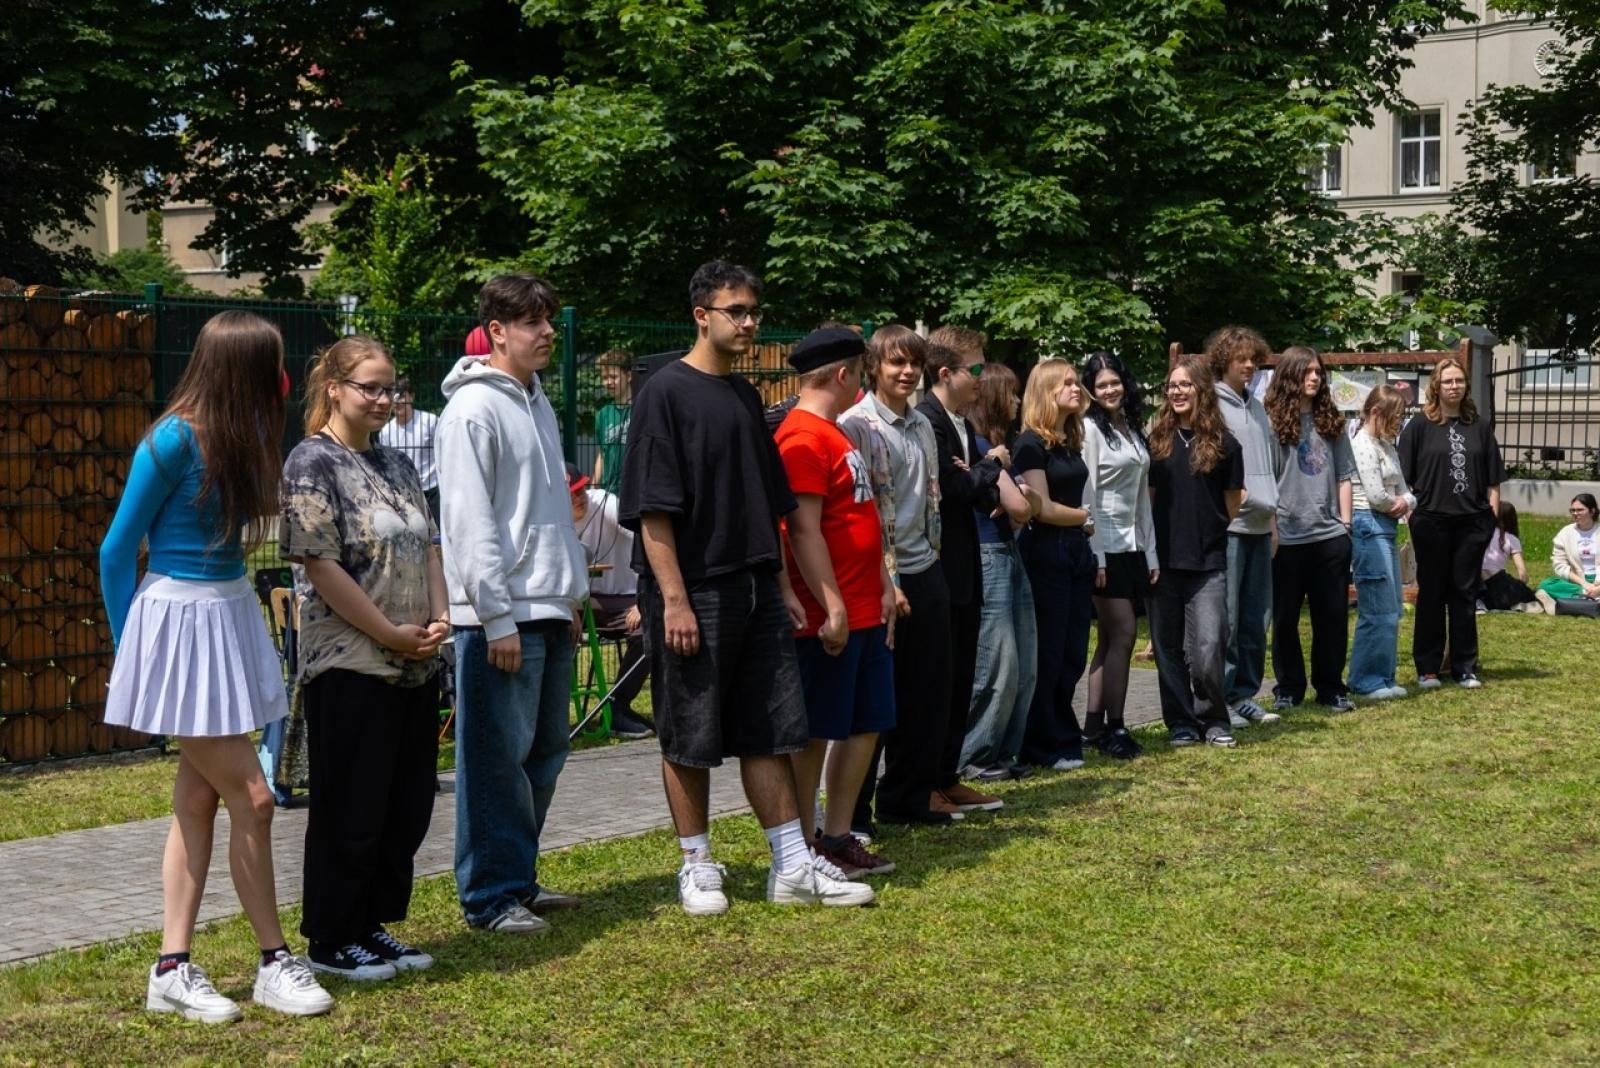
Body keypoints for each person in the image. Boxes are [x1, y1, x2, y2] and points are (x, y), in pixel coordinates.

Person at [101, 310, 334, 1022]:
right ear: (244, 371)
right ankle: (272, 961)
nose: (282, 378)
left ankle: (171, 968)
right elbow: (116, 551)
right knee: (255, 798)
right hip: (178, 622)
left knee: (199, 800)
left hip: (226, 613)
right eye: (271, 364)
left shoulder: (249, 431)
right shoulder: (171, 440)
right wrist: (132, 653)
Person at [620, 261, 872, 914]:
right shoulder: (663, 394)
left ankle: (791, 866)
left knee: (771, 728)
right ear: (701, 315)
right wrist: (674, 601)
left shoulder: (743, 397)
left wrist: (781, 583)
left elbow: (768, 503)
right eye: (736, 311)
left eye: (754, 311)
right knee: (690, 733)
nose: (750, 322)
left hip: (756, 587)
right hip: (694, 590)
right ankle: (697, 864)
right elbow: (652, 512)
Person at [280, 336, 446, 980]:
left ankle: (372, 924)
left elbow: (429, 546)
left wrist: (439, 617)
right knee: (351, 806)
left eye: (390, 388)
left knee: (405, 804)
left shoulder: (396, 463)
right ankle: (331, 937)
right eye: (369, 388)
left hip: (414, 660)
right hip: (350, 661)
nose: (383, 399)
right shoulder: (311, 462)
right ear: (335, 389)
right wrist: (388, 632)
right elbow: (321, 566)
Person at [438, 273, 589, 935]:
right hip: (499, 619)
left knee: (543, 755)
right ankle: (489, 896)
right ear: (496, 331)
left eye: (549, 319)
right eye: (533, 321)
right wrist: (495, 615)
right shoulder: (472, 409)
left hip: (547, 606)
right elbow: (468, 520)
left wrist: (570, 594)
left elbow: (547, 509)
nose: (548, 332)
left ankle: (516, 879)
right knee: (495, 763)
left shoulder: (537, 400)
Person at [775, 326, 899, 879]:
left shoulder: (835, 433)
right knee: (817, 731)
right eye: (861, 374)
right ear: (844, 374)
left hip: (866, 607)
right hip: (830, 616)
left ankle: (838, 835)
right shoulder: (802, 438)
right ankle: (801, 844)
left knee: (866, 722)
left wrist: (885, 585)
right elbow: (802, 530)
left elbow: (860, 517)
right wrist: (833, 606)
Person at [838, 326, 962, 827]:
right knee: (875, 700)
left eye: (914, 363)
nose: (907, 372)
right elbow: (859, 509)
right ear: (874, 367)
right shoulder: (856, 425)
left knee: (927, 692)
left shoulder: (923, 424)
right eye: (896, 363)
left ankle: (906, 798)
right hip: (881, 575)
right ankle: (855, 815)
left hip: (926, 565)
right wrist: (887, 580)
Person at [919, 327, 1006, 813]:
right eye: (975, 368)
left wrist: (978, 477)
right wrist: (992, 463)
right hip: (938, 569)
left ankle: (947, 776)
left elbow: (974, 490)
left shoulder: (959, 422)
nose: (982, 377)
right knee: (935, 684)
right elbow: (952, 489)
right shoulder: (929, 420)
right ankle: (924, 782)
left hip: (964, 569)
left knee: (959, 680)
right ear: (945, 373)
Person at [1147, 358, 1245, 749]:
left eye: (1185, 385)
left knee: (1208, 648)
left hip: (1207, 561)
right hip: (1163, 562)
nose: (1177, 392)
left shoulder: (1225, 444)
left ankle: (1213, 718)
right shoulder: (1156, 442)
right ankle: (1181, 722)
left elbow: (1232, 503)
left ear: (1202, 389)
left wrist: (1206, 531)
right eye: (1172, 385)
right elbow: (1150, 500)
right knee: (1168, 648)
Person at [1398, 357, 1506, 688]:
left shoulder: (1479, 426)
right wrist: (1411, 515)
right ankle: (1428, 667)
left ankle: (1464, 667)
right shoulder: (1419, 426)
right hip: (1431, 521)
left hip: (1472, 522)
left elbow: (1493, 480)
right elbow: (1402, 477)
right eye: (1447, 381)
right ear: (1436, 386)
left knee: (1464, 593)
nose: (1454, 386)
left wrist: (1491, 520)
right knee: (1432, 593)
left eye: (1459, 380)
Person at [959, 363, 1042, 781]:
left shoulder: (998, 450)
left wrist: (1019, 495)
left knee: (1025, 659)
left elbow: (1026, 505)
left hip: (1009, 551)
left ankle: (1004, 750)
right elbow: (1023, 508)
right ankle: (974, 754)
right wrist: (1018, 493)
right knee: (998, 660)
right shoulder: (980, 448)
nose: (1016, 401)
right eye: (1010, 393)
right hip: (988, 553)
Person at [1013, 358, 1096, 771]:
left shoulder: (1067, 441)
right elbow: (1041, 509)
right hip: (1048, 552)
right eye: (1066, 383)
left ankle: (1064, 735)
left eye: (1076, 382)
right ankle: (1041, 743)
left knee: (1073, 652)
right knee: (1050, 652)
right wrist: (1084, 517)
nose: (1076, 388)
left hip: (1076, 551)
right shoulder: (1030, 444)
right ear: (1045, 391)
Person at [1263, 346, 1356, 712]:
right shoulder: (1270, 424)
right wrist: (1272, 530)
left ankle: (1331, 687)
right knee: (1285, 619)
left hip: (1330, 536)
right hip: (1286, 537)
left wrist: (1345, 525)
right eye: (1307, 371)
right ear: (1290, 376)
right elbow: (1266, 481)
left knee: (1332, 617)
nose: (1315, 377)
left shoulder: (1332, 421)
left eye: (1319, 372)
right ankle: (1289, 687)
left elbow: (1344, 476)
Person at [1080, 351, 1157, 759]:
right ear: (1091, 391)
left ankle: (1093, 728)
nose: (1110, 390)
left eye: (1115, 382)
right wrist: (1097, 556)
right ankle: (1117, 726)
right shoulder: (1090, 430)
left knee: (1110, 638)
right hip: (1103, 546)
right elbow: (1088, 494)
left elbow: (1142, 498)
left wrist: (1151, 552)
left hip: (1132, 546)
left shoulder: (1130, 428)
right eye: (1101, 385)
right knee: (1125, 633)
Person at [1209, 326, 1283, 728]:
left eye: (1254, 359)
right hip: (1232, 527)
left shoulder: (1257, 407)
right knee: (1230, 620)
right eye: (1242, 359)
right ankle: (1220, 699)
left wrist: (1273, 523)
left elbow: (1268, 467)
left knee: (1257, 619)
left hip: (1260, 525)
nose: (1250, 365)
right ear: (1224, 361)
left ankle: (1244, 695)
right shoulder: (1213, 406)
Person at [567, 462, 655, 739]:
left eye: (581, 489)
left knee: (650, 627)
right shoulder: (551, 518)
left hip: (623, 597)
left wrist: (643, 598)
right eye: (571, 493)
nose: (579, 497)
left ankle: (617, 707)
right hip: (578, 600)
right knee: (551, 627)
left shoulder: (605, 504)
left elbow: (647, 540)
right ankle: (552, 717)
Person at [1348, 385, 1415, 699]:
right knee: (1377, 607)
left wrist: (1402, 501)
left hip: (1386, 526)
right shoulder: (1362, 444)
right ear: (1376, 412)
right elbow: (1376, 496)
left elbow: (1406, 491)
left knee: (1392, 607)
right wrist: (1399, 502)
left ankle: (1384, 677)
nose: (1399, 422)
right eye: (1395, 416)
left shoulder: (1387, 446)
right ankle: (1366, 680)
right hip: (1368, 527)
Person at [377, 376, 441, 524]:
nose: (398, 402)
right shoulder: (386, 432)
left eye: (402, 396)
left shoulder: (430, 422)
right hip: (405, 495)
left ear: (411, 397)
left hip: (433, 491)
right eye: (394, 397)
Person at [1535, 493, 1600, 611]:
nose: (1575, 513)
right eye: (1573, 510)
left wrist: (1598, 588)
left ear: (1592, 511)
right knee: (1547, 584)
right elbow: (1559, 565)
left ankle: (1581, 599)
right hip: (1578, 582)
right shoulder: (1565, 533)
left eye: (1580, 510)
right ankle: (1588, 597)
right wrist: (1584, 584)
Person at [1479, 502, 1539, 612]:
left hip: (1478, 583)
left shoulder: (1480, 533)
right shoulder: (1511, 539)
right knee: (1528, 593)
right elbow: (1523, 575)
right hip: (1498, 584)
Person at [592, 348, 633, 495]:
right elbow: (603, 454)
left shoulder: (642, 409)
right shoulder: (603, 414)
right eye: (604, 378)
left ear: (628, 376)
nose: (608, 382)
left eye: (613, 377)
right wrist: (594, 487)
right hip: (609, 492)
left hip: (634, 490)